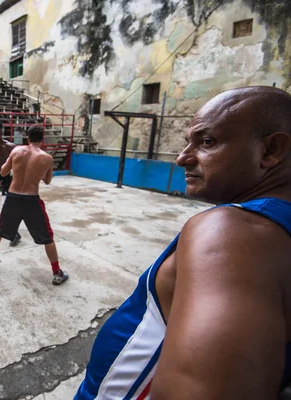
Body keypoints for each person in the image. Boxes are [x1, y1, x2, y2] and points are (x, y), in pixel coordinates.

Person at [75, 86, 291, 399]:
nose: (181, 158)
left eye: (207, 142)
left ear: (271, 150)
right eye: (187, 143)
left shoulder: (232, 232)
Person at [0, 125, 68, 285]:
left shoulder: (16, 151)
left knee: (0, 229)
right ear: (42, 138)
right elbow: (48, 181)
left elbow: (2, 172)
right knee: (48, 237)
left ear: (27, 138)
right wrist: (37, 171)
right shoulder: (47, 158)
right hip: (31, 201)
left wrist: (18, 167)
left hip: (13, 197)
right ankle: (57, 273)